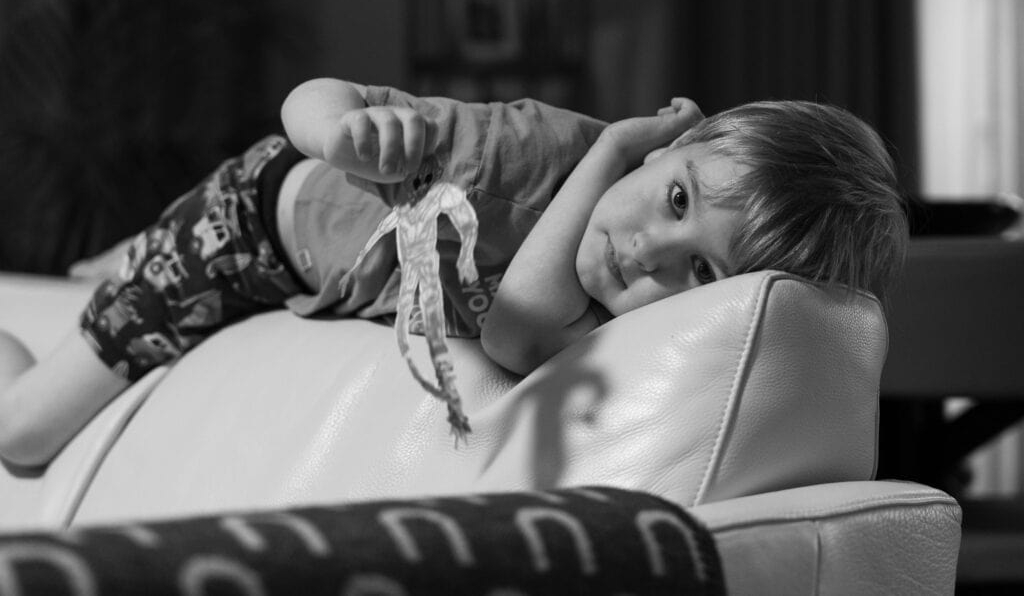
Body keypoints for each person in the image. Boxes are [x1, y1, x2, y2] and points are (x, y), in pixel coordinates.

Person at [0, 78, 908, 467]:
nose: (648, 252)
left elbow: (515, 328)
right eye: (676, 198)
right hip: (249, 224)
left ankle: (110, 264)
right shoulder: (528, 150)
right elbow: (306, 101)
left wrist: (622, 162)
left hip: (306, 277)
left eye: (700, 271)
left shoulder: (619, 318)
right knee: (22, 433)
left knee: (108, 283)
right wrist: (339, 132)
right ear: (674, 142)